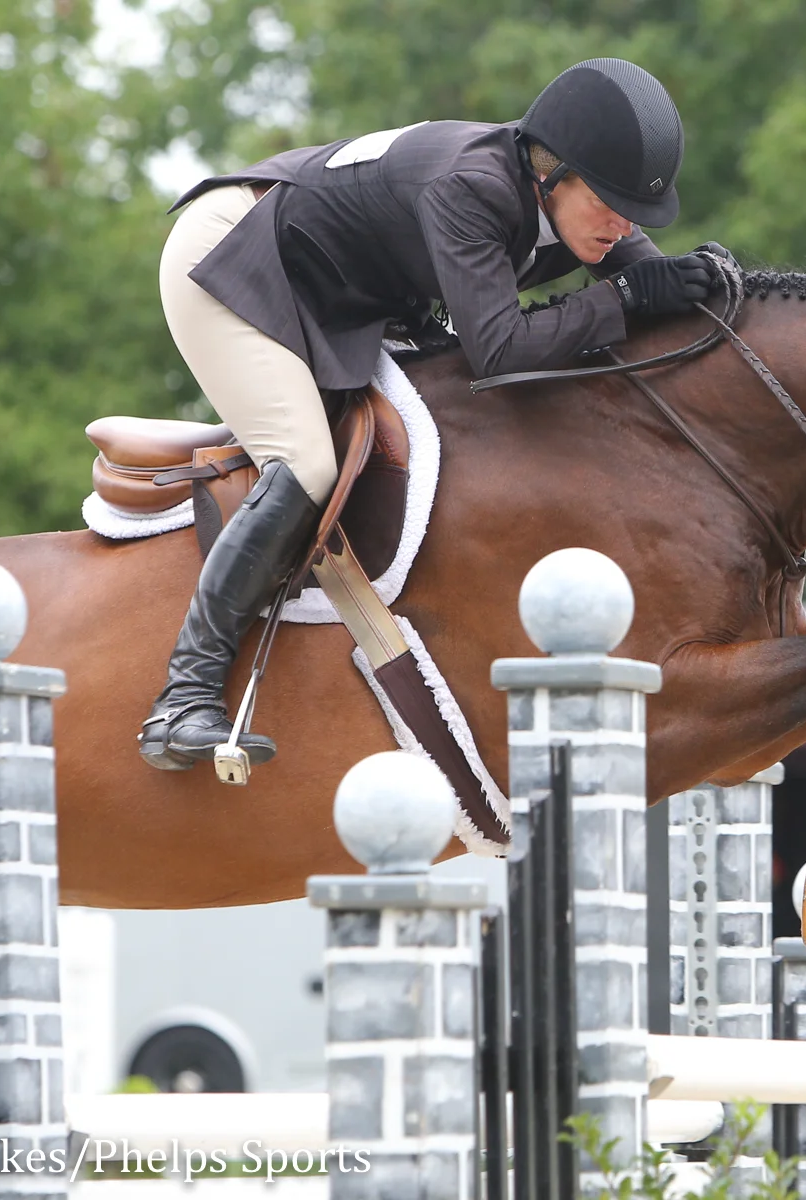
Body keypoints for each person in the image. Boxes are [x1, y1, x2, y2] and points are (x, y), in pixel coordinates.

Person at [139, 57, 721, 771]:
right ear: (551, 173)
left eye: (634, 209)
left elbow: (644, 283)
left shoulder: (578, 201)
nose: (624, 224)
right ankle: (182, 699)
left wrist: (705, 287)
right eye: (611, 202)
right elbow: (502, 351)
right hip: (236, 258)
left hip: (343, 292)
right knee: (307, 459)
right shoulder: (471, 188)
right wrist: (629, 299)